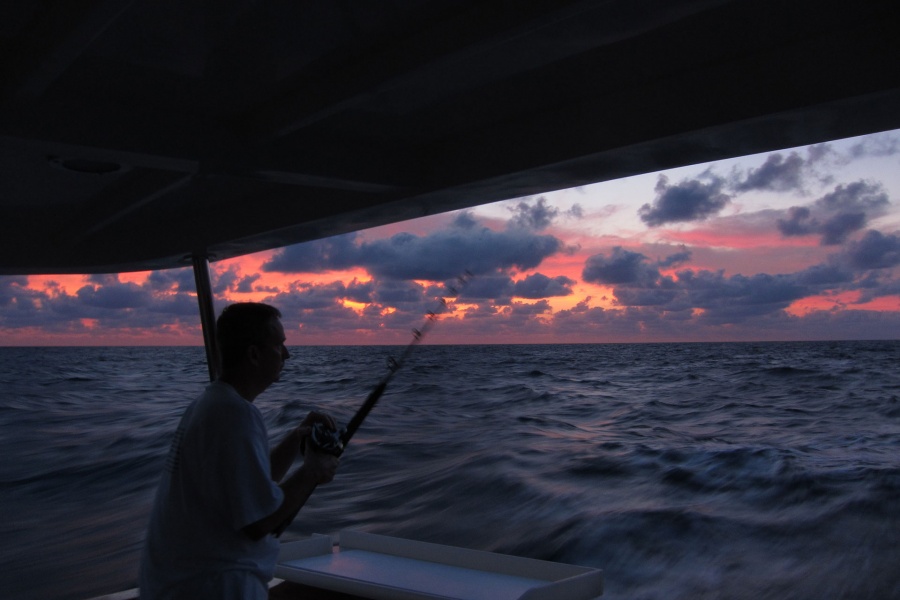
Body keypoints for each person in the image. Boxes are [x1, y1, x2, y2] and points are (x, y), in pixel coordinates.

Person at [140, 302, 340, 600]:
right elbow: (258, 522)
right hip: (213, 586)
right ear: (254, 354)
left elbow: (247, 488)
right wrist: (313, 471)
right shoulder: (235, 414)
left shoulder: (211, 404)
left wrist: (296, 437)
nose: (287, 354)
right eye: (279, 345)